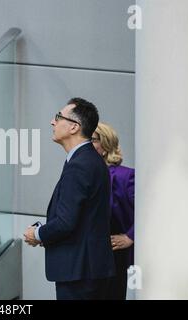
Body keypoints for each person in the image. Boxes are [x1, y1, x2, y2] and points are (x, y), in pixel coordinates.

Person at [24, 97, 115, 300]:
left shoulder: (80, 164)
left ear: (74, 127)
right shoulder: (88, 159)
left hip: (80, 272)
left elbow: (66, 222)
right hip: (87, 270)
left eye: (58, 117)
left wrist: (37, 234)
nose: (52, 122)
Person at [92, 122, 134, 300]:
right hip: (86, 257)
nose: (86, 145)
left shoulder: (126, 176)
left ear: (106, 145)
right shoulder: (82, 174)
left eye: (92, 140)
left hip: (113, 256)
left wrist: (130, 236)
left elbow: (151, 213)